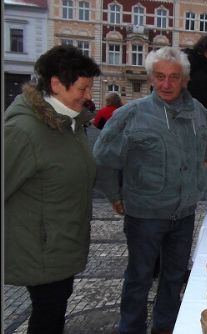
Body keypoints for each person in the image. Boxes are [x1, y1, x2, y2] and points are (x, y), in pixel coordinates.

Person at [93, 46, 207, 334]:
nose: (166, 84)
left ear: (185, 79)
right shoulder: (132, 114)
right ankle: (131, 328)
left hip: (184, 214)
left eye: (174, 77)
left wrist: (205, 166)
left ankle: (165, 327)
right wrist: (114, 195)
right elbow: (103, 157)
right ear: (150, 78)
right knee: (139, 278)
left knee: (174, 279)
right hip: (145, 216)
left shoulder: (198, 112)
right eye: (160, 76)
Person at [4, 45, 101, 334]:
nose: (88, 96)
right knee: (48, 315)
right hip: (42, 250)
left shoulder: (68, 122)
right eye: (83, 88)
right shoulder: (23, 131)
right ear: (57, 84)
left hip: (62, 243)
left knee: (54, 310)